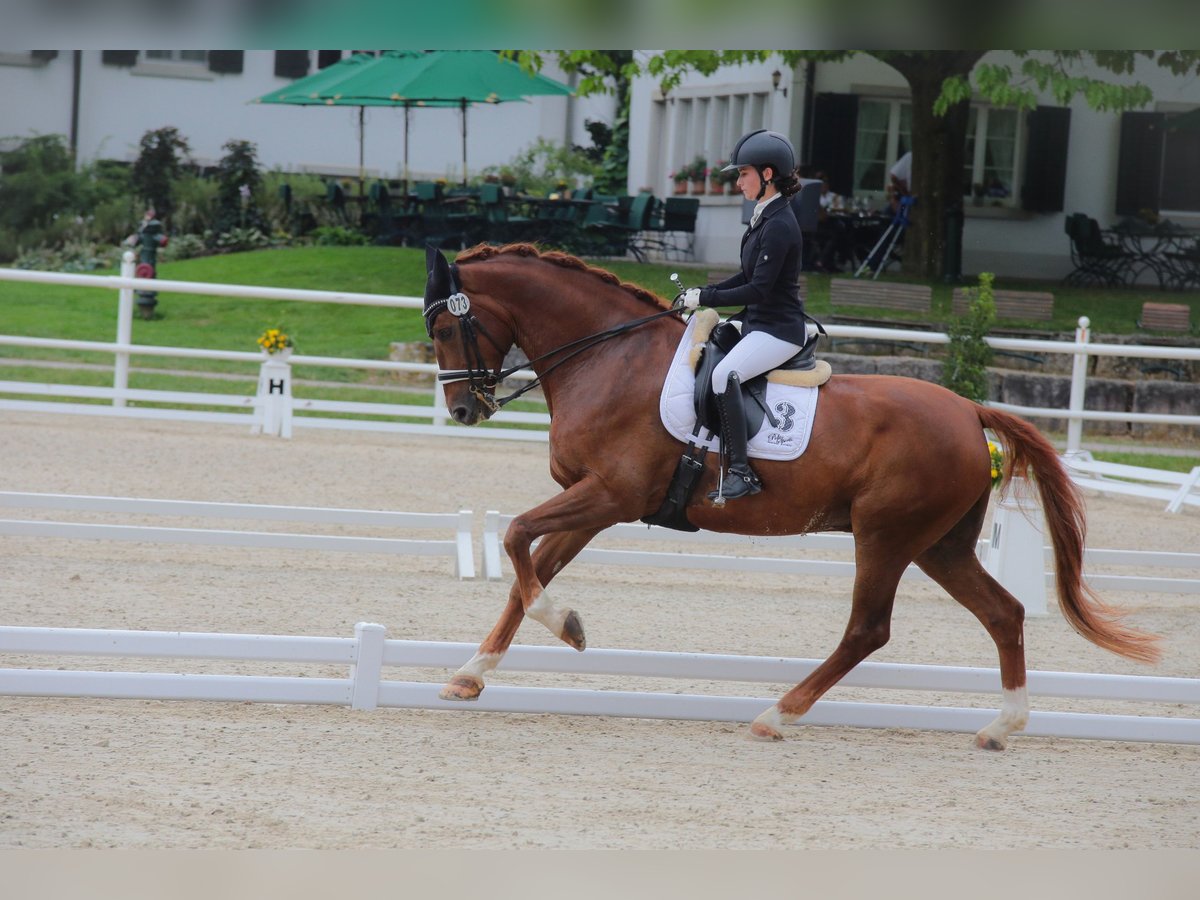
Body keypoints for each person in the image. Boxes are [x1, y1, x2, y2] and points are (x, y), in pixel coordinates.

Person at [680, 129, 807, 503]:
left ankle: (741, 471)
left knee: (724, 375)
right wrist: (703, 295)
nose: (737, 182)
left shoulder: (780, 224)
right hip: (759, 323)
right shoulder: (764, 217)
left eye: (743, 174)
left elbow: (759, 290)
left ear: (767, 175)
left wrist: (707, 296)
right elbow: (747, 277)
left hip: (779, 330)